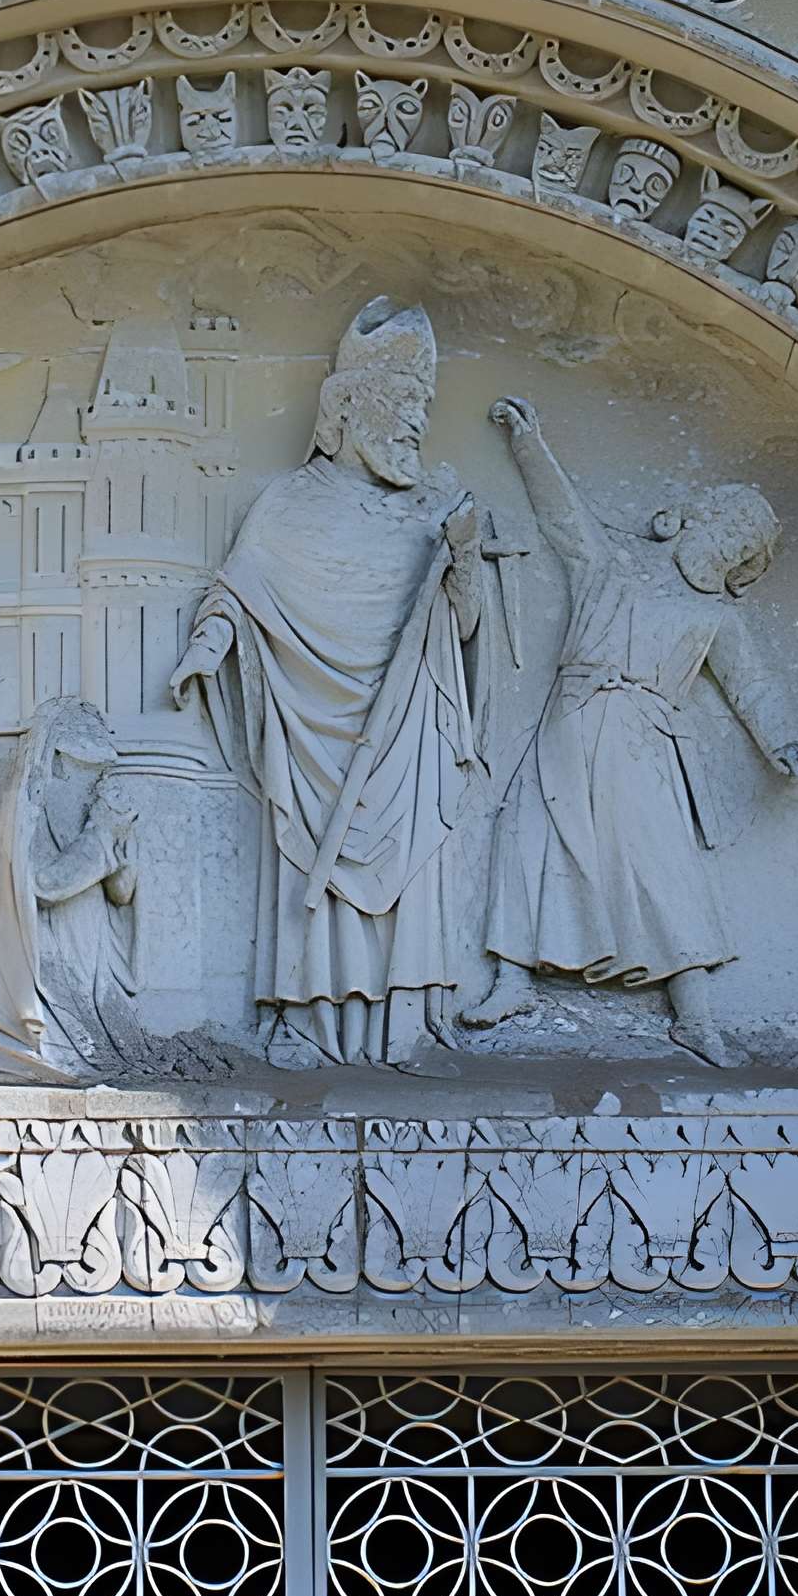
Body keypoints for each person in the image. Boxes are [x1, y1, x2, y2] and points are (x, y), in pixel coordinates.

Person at [169, 298, 501, 1067]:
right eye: (401, 405)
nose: (417, 423)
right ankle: (306, 1017)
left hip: (407, 726)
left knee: (411, 870)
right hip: (309, 720)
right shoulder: (287, 504)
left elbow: (464, 623)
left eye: (423, 407)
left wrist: (465, 555)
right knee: (306, 866)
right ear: (348, 409)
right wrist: (201, 653)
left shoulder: (433, 510)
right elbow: (237, 591)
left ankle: (409, 1024)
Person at [459, 395, 798, 1066]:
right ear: (687, 521)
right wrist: (530, 443)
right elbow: (562, 514)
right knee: (532, 832)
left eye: (742, 546)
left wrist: (784, 743)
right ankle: (512, 979)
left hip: (642, 737)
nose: (727, 547)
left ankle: (695, 1012)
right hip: (572, 719)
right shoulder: (612, 561)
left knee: (661, 860)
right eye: (724, 529)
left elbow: (755, 687)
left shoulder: (715, 617)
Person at [0, 698, 141, 1083]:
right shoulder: (31, 805)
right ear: (58, 760)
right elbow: (46, 883)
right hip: (50, 952)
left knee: (112, 1052)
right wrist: (102, 837)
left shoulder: (101, 812)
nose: (95, 780)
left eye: (99, 769)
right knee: (70, 1054)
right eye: (84, 768)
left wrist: (118, 843)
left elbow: (121, 893)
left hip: (93, 954)